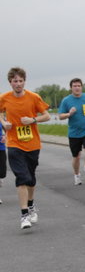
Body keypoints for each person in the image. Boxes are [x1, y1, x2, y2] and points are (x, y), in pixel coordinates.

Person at [0, 67, 50, 229]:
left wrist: (33, 120)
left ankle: (30, 204)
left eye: (20, 81)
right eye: (15, 81)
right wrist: (4, 123)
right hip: (14, 143)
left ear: (24, 81)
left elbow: (47, 116)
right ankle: (24, 216)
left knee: (30, 179)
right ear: (10, 83)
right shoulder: (4, 98)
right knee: (21, 177)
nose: (18, 84)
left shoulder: (34, 97)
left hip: (33, 144)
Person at [58, 78, 85, 185]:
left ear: (81, 87)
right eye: (75, 86)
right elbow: (60, 116)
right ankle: (77, 175)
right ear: (71, 88)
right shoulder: (66, 100)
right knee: (76, 156)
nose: (77, 88)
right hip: (74, 133)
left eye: (79, 86)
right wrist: (69, 114)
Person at [0, 121, 6, 204]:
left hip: (1, 148)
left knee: (2, 173)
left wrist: (5, 136)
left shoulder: (1, 119)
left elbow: (7, 129)